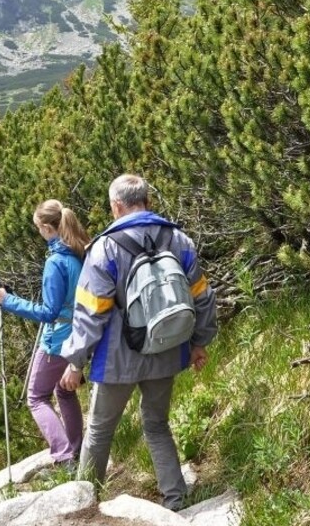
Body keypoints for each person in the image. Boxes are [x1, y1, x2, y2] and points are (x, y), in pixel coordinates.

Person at [59, 174, 217, 511]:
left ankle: (82, 504)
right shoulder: (179, 240)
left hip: (118, 359)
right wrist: (199, 342)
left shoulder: (105, 248)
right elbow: (202, 297)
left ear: (116, 206)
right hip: (166, 348)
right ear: (146, 200)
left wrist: (75, 361)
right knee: (157, 424)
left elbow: (91, 312)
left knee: (100, 430)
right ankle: (176, 498)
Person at [0, 199, 90, 471]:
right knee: (65, 391)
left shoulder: (56, 262)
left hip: (57, 338)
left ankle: (64, 457)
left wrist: (7, 300)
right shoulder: (78, 253)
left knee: (36, 397)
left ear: (48, 228)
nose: (37, 232)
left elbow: (48, 312)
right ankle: (77, 449)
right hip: (79, 333)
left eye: (38, 227)